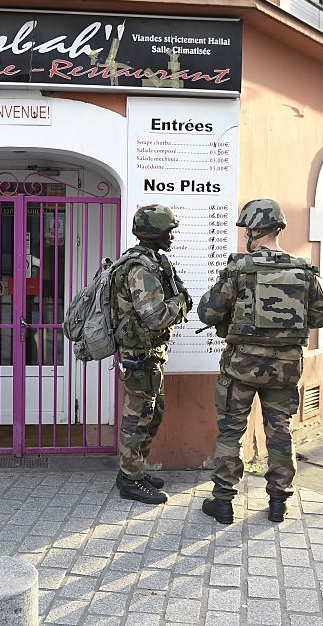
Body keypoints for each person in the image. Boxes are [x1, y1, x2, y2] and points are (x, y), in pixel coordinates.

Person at [197, 198, 323, 524]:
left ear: (253, 231)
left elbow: (207, 312)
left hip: (241, 367)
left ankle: (224, 503)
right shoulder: (303, 270)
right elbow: (320, 318)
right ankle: (278, 503)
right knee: (280, 431)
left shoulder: (240, 269)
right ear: (279, 228)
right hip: (284, 370)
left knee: (231, 431)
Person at [112, 204, 191, 504]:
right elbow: (155, 317)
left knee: (151, 414)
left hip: (148, 354)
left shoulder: (152, 262)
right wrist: (181, 302)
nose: (172, 236)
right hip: (140, 355)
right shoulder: (142, 269)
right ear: (154, 233)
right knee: (138, 418)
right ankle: (131, 481)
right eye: (168, 231)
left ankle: (134, 470)